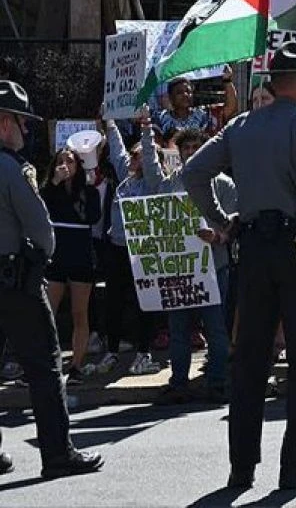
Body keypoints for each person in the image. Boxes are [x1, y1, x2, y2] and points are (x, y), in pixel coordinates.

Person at [182, 42, 296, 491]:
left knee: (250, 360)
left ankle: (242, 468)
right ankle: (294, 466)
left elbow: (192, 174)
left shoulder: (240, 126)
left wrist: (224, 222)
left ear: (271, 83)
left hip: (253, 248)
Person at [0, 80, 103, 479]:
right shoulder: (12, 169)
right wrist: (41, 256)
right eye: (22, 124)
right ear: (5, 121)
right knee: (44, 366)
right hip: (16, 281)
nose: (26, 132)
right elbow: (42, 229)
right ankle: (58, 454)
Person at [140, 122, 235, 405]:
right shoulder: (170, 184)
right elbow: (150, 171)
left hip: (215, 268)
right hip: (180, 271)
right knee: (178, 330)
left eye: (197, 148)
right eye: (186, 148)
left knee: (216, 329)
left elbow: (236, 224)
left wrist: (217, 237)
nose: (192, 152)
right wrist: (146, 132)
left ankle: (217, 382)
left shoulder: (223, 184)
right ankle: (178, 383)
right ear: (178, 153)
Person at [102, 115, 164, 376]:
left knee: (145, 303)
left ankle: (143, 352)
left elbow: (150, 156)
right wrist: (109, 123)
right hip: (117, 248)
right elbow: (116, 151)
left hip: (143, 251)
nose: (133, 158)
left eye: (137, 155)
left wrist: (146, 128)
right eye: (133, 154)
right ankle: (113, 351)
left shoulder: (153, 181)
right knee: (113, 301)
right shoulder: (126, 178)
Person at [39, 146, 102, 384]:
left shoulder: (89, 192)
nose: (66, 165)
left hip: (80, 254)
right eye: (61, 161)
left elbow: (93, 217)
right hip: (56, 254)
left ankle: (76, 365)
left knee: (79, 312)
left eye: (71, 161)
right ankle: (45, 363)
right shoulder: (49, 189)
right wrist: (56, 182)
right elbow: (41, 205)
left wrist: (82, 189)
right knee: (47, 312)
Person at [151, 67, 239, 144]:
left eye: (188, 91)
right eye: (179, 92)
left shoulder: (204, 115)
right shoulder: (160, 118)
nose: (185, 95)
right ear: (170, 97)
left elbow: (230, 108)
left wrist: (227, 81)